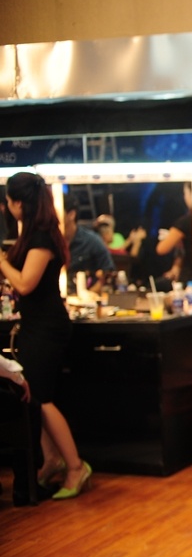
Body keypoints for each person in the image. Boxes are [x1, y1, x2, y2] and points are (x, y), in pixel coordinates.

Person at [0, 172, 92, 500]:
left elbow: (25, 283)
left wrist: (1, 262)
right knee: (33, 398)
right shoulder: (34, 235)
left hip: (47, 327)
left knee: (41, 397)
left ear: (18, 203)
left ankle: (75, 466)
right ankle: (52, 460)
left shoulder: (41, 239)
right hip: (35, 325)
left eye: (8, 201)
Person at [63, 193, 115, 293]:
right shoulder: (47, 241)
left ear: (71, 214)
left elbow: (108, 272)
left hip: (85, 299)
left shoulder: (92, 241)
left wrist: (89, 294)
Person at [155, 182, 192, 285]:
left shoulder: (185, 222)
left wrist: (168, 238)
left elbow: (161, 249)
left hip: (190, 277)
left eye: (185, 193)